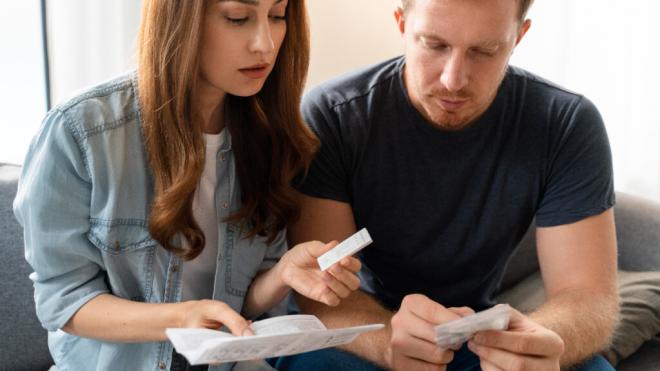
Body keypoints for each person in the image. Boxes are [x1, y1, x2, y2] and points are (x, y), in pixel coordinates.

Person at [13, 0, 363, 370]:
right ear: (179, 18)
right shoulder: (81, 132)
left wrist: (282, 274)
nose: (265, 43)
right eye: (238, 18)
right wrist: (180, 319)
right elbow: (63, 301)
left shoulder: (269, 139)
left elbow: (236, 305)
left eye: (277, 16)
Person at [274, 0, 619, 370]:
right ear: (402, 25)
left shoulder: (565, 124)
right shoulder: (333, 116)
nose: (453, 80)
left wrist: (532, 342)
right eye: (434, 45)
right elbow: (323, 294)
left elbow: (588, 297)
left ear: (519, 37)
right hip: (361, 333)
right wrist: (389, 343)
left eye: (484, 51)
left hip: (478, 338)